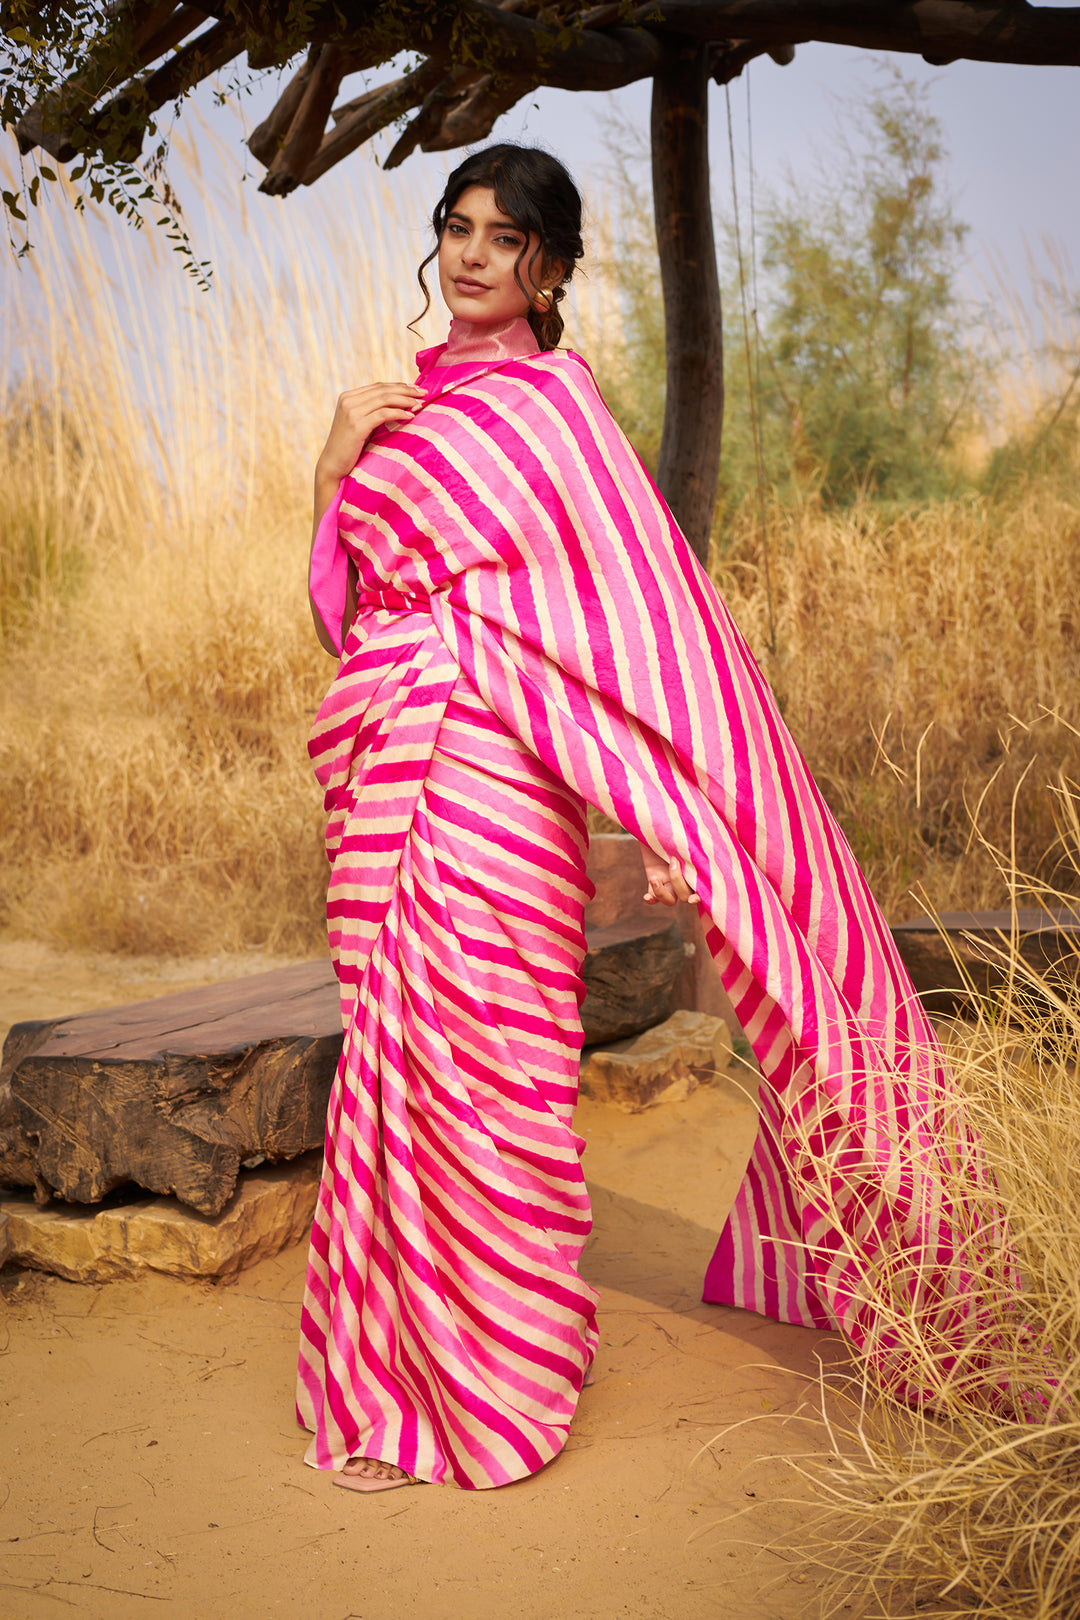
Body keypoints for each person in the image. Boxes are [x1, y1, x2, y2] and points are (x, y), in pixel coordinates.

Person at [297, 143, 972, 1495]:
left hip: (500, 794)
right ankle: (392, 1384)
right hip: (396, 777)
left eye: (506, 237)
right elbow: (350, 618)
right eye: (458, 229)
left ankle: (499, 1383)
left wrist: (665, 810)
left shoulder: (557, 423)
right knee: (401, 1079)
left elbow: (637, 644)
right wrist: (332, 464)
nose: (474, 255)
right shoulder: (402, 418)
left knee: (492, 1086)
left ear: (550, 269)